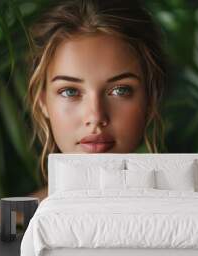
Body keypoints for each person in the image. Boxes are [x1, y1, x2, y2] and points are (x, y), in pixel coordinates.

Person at [24, 0, 167, 200]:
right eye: (70, 92)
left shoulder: (194, 222)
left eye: (120, 90)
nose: (96, 117)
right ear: (43, 103)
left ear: (150, 98)